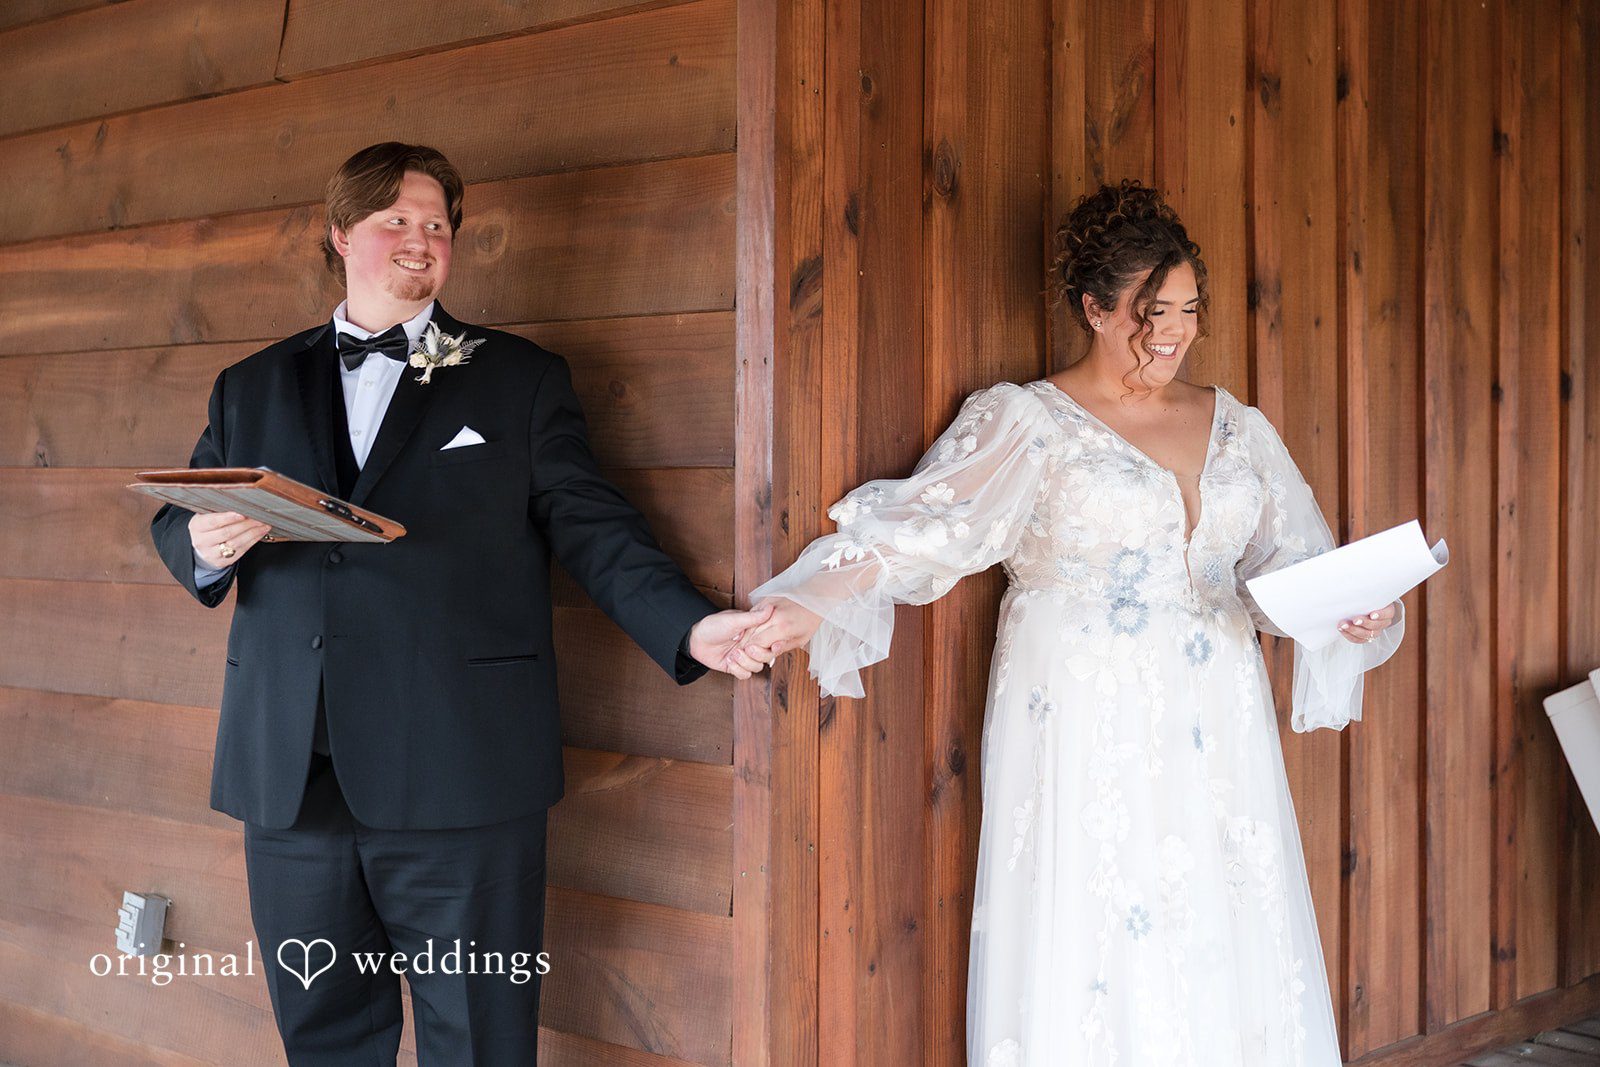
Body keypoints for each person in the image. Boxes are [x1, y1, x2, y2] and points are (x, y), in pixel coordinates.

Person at [739, 179, 1402, 1065]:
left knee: (1222, 913)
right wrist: (795, 608)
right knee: (1099, 923)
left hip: (1217, 717)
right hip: (1088, 719)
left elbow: (1294, 566)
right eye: (1147, 310)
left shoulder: (1238, 427)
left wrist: (1358, 604)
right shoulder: (1029, 421)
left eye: (1188, 309)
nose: (1171, 331)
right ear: (1092, 308)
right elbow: (923, 531)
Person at [149, 141, 773, 1066]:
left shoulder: (519, 380)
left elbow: (591, 526)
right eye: (394, 221)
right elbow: (184, 512)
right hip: (291, 778)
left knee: (478, 1044)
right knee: (321, 1039)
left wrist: (690, 624)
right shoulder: (251, 385)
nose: (419, 241)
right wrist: (198, 544)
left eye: (436, 225)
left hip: (462, 773)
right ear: (339, 235)